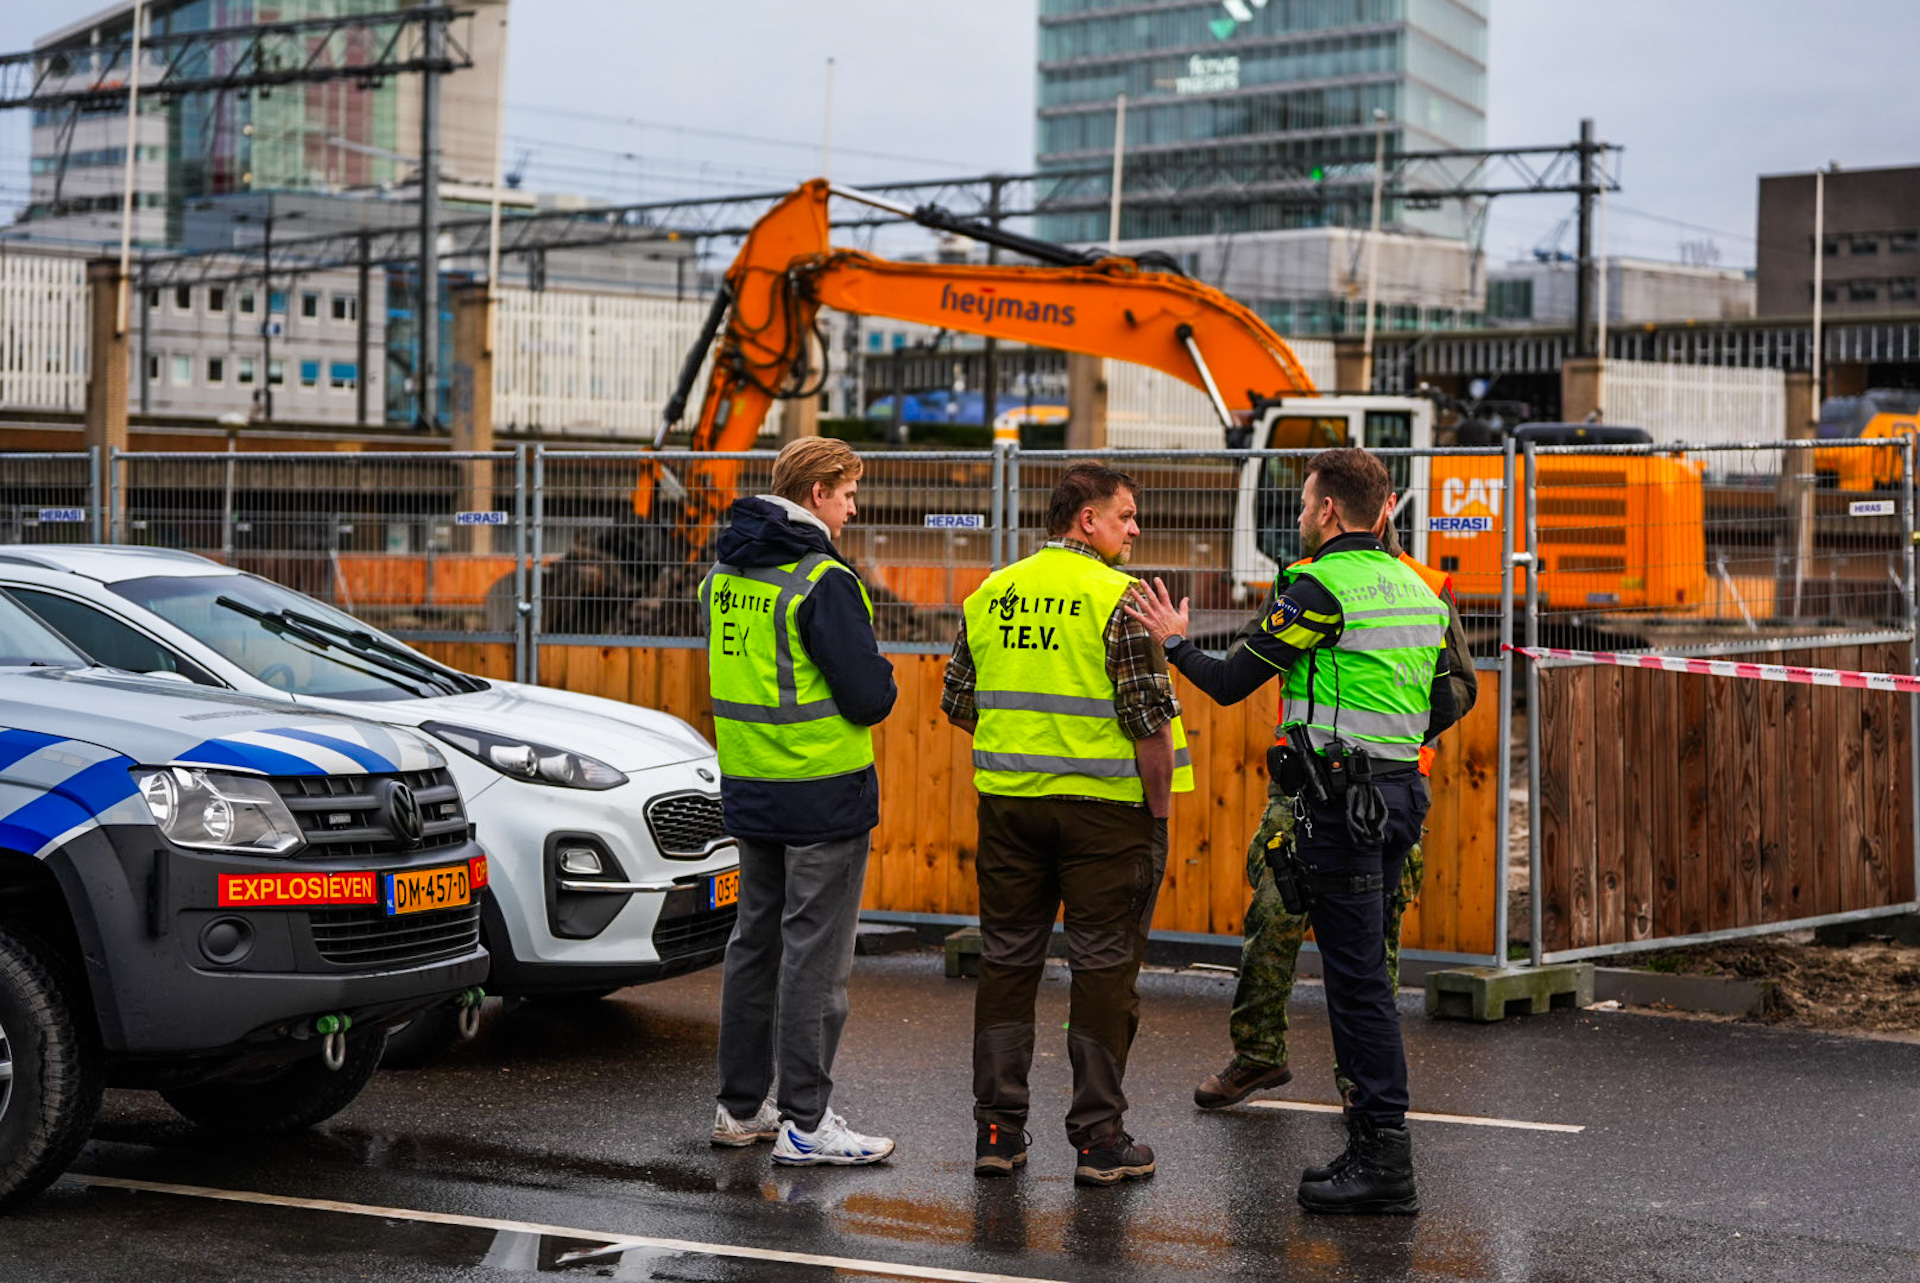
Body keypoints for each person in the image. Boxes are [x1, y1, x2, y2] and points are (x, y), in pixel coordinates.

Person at [1125, 448, 1461, 1216]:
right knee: (1366, 976)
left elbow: (1231, 678)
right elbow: (1446, 699)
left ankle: (1383, 1159)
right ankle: (1373, 1146)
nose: (1301, 516)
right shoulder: (1415, 587)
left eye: (1306, 504)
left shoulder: (1320, 585)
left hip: (1342, 806)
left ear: (1331, 512)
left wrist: (1176, 641)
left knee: (1357, 987)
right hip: (1398, 793)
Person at [942, 462, 1192, 1188]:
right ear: (1086, 518)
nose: (1135, 528)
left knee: (1008, 962)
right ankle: (1098, 1138)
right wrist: (1159, 813)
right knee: (1104, 969)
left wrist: (1027, 752)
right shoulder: (1121, 598)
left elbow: (960, 700)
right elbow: (1150, 721)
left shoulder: (992, 591)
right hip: (1109, 818)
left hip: (1010, 809)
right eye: (1125, 515)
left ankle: (997, 1130)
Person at [1191, 494, 1478, 1115]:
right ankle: (1259, 1054)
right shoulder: (1308, 584)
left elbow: (1461, 686)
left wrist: (1389, 735)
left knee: (1374, 945)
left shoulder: (1426, 586)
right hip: (1304, 794)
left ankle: (1362, 1085)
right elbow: (1251, 655)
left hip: (1381, 794)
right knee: (1273, 915)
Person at [702, 436, 898, 1166]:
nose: (853, 506)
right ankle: (807, 1122)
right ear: (816, 492)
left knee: (755, 945)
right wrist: (883, 674)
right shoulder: (823, 578)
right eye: (847, 493)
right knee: (816, 961)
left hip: (752, 788)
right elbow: (868, 696)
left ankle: (740, 1106)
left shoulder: (725, 571)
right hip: (823, 795)